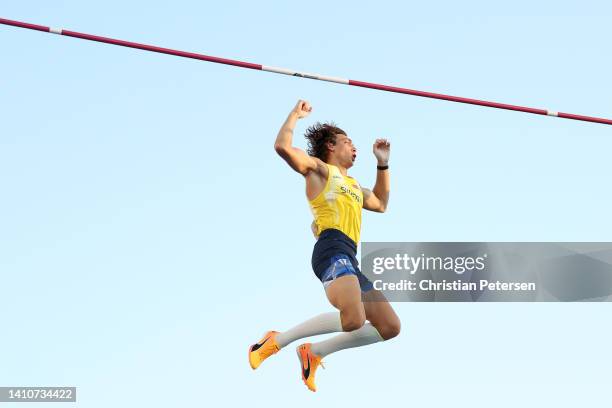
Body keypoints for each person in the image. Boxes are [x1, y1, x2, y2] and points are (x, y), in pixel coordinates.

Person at [248, 100, 401, 392]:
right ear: (331, 147)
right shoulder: (319, 171)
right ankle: (276, 340)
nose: (354, 147)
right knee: (354, 318)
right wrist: (295, 115)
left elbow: (381, 204)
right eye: (348, 142)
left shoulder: (355, 186)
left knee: (390, 327)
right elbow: (282, 147)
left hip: (350, 257)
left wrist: (382, 163)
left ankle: (314, 352)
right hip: (331, 249)